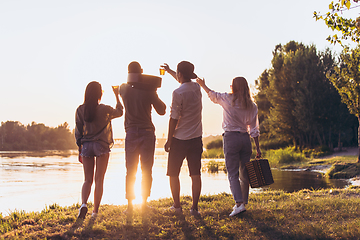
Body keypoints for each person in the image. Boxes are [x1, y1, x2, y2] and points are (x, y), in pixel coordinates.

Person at [196, 76, 261, 217]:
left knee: (232, 173)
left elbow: (212, 95)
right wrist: (258, 148)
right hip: (245, 139)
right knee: (245, 173)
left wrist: (202, 85)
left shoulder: (228, 99)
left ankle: (239, 204)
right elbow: (254, 129)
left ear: (234, 87)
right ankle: (243, 202)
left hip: (231, 138)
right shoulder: (252, 105)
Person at [120, 61, 166, 214]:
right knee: (147, 169)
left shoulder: (123, 89)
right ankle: (144, 204)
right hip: (147, 132)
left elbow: (127, 85)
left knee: (130, 170)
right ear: (141, 72)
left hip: (131, 133)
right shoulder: (149, 91)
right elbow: (162, 110)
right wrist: (152, 90)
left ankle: (130, 207)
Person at [75, 81, 123, 219]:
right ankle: (95, 212)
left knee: (87, 180)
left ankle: (83, 204)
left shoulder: (80, 110)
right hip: (101, 146)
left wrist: (80, 149)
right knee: (99, 179)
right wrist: (116, 96)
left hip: (86, 147)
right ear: (99, 93)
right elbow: (119, 112)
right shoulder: (104, 109)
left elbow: (78, 132)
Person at [162, 61, 203, 217]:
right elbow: (183, 81)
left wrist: (169, 139)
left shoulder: (177, 93)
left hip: (179, 139)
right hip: (196, 139)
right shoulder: (197, 88)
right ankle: (194, 208)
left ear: (180, 74)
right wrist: (170, 71)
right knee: (195, 174)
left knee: (173, 173)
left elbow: (174, 118)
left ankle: (177, 206)